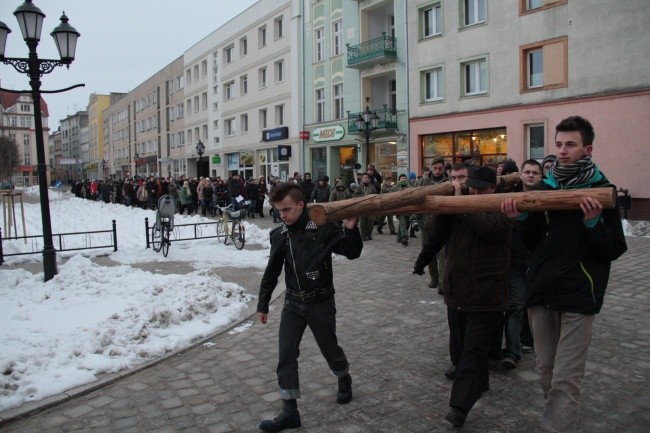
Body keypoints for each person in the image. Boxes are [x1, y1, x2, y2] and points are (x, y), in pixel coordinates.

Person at [501, 116, 627, 433]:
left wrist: (593, 224)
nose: (562, 150)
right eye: (558, 144)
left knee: (566, 378)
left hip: (580, 293)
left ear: (587, 148)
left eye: (570, 144)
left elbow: (613, 248)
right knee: (546, 372)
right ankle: (563, 420)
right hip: (542, 290)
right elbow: (530, 244)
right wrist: (520, 219)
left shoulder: (602, 190)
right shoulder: (544, 189)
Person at [256, 182, 363, 432]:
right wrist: (263, 304)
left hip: (321, 302)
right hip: (293, 303)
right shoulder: (280, 235)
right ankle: (290, 410)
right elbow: (271, 272)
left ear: (301, 205)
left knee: (329, 348)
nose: (282, 215)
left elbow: (351, 252)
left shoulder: (323, 226)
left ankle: (343, 376)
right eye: (279, 211)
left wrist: (350, 228)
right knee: (286, 354)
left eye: (287, 210)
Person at [415, 165, 512, 428]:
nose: (476, 192)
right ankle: (480, 383)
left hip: (487, 294)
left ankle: (459, 407)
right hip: (457, 290)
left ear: (493, 188)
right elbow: (437, 234)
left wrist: (460, 204)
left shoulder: (505, 207)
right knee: (461, 350)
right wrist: (446, 208)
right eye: (473, 187)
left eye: (482, 188)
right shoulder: (460, 206)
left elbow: (489, 229)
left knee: (472, 351)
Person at [415, 157, 449, 290]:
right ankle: (434, 278)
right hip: (427, 223)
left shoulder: (448, 182)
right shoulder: (423, 181)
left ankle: (442, 282)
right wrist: (414, 217)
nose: (437, 171)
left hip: (443, 223)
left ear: (444, 168)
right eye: (435, 168)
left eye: (440, 168)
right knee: (429, 252)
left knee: (442, 253)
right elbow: (416, 200)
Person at [352, 172, 377, 241]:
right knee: (363, 222)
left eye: (367, 178)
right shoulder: (359, 187)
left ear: (369, 179)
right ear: (362, 179)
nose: (365, 179)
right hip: (362, 207)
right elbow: (355, 196)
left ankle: (368, 234)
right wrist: (364, 196)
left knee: (371, 221)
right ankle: (363, 235)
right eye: (364, 178)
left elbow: (376, 195)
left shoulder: (372, 187)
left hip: (370, 207)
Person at [393, 174, 411, 245]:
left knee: (404, 224)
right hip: (399, 209)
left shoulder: (409, 187)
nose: (403, 179)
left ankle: (398, 237)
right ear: (399, 179)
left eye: (404, 178)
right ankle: (404, 237)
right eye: (402, 178)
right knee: (403, 223)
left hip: (407, 209)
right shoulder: (396, 187)